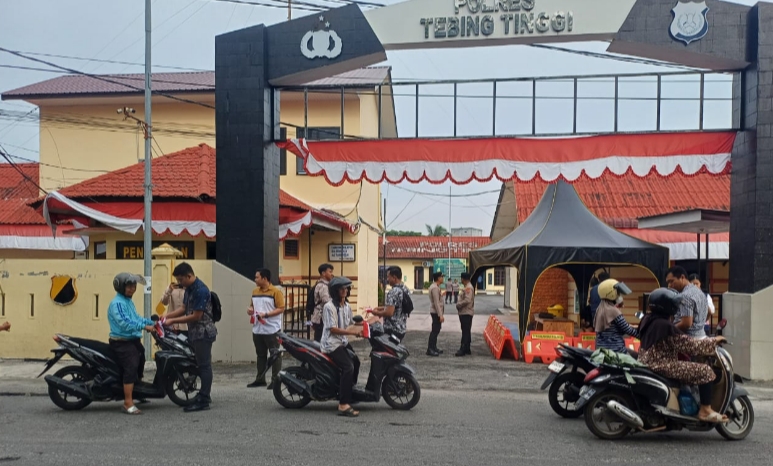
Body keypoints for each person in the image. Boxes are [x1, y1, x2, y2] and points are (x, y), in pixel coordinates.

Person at [638, 287, 728, 423]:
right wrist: (714, 341)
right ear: (667, 306)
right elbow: (689, 345)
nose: (676, 307)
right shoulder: (665, 326)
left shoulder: (648, 319)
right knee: (705, 371)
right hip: (661, 364)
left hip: (648, 361)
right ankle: (705, 410)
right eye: (674, 304)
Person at [164, 262, 218, 412]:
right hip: (195, 333)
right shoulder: (189, 289)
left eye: (181, 279)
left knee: (204, 366)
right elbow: (183, 308)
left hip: (203, 333)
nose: (180, 283)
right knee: (198, 363)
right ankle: (203, 393)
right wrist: (165, 317)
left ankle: (204, 399)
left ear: (189, 275)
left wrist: (173, 321)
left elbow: (196, 316)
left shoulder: (200, 290)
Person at [107, 273, 155, 415]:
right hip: (122, 342)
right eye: (129, 286)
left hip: (132, 341)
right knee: (131, 366)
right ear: (121, 287)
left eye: (134, 286)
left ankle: (137, 391)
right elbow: (125, 322)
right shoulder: (118, 303)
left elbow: (136, 317)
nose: (132, 289)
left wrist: (151, 322)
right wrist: (144, 327)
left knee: (141, 359)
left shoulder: (128, 301)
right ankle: (128, 402)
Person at [320, 276, 364, 417]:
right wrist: (352, 332)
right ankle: (343, 404)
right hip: (331, 344)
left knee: (356, 362)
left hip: (342, 341)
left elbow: (351, 321)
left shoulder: (346, 306)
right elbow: (333, 329)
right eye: (341, 288)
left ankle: (349, 391)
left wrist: (369, 322)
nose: (344, 290)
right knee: (348, 367)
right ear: (335, 290)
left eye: (346, 288)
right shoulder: (329, 307)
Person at [246, 268, 285, 389]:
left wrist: (266, 315)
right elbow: (252, 306)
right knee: (260, 354)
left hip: (272, 329)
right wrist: (250, 310)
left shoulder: (275, 292)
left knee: (275, 354)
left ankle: (275, 380)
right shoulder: (255, 291)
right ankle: (260, 378)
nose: (255, 279)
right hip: (258, 328)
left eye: (257, 277)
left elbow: (281, 308)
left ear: (265, 278)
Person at [594, 279, 639, 353]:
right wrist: (643, 337)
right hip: (616, 350)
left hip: (601, 349)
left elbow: (614, 328)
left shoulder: (600, 309)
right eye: (618, 292)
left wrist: (632, 326)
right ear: (611, 293)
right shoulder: (613, 311)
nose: (619, 295)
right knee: (636, 359)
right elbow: (627, 330)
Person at [666, 266, 708, 339]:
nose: (669, 285)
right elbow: (709, 311)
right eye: (668, 282)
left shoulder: (685, 296)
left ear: (682, 277)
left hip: (688, 339)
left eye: (672, 281)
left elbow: (686, 324)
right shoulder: (699, 292)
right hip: (702, 335)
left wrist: (669, 330)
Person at [372, 266, 409, 342]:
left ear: (394, 277)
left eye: (388, 277)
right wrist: (381, 308)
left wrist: (375, 312)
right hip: (401, 327)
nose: (387, 279)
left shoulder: (393, 292)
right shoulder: (405, 289)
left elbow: (389, 312)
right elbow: (397, 306)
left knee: (386, 352)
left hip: (392, 329)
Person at [311, 264, 334, 342]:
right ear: (323, 273)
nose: (331, 274)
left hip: (323, 316)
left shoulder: (326, 284)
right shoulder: (322, 286)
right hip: (321, 317)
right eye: (330, 272)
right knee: (320, 339)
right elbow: (326, 300)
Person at [455, 272, 475, 357]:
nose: (461, 280)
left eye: (461, 278)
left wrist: (459, 304)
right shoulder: (467, 287)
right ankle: (467, 348)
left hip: (466, 312)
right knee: (466, 330)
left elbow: (467, 300)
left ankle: (463, 348)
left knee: (465, 331)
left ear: (463, 279)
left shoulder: (468, 288)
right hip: (465, 312)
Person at [427, 271, 445, 357]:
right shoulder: (434, 288)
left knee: (436, 330)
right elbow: (436, 303)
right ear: (438, 278)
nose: (443, 278)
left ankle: (434, 347)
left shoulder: (436, 287)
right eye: (442, 277)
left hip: (436, 311)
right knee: (435, 330)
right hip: (435, 312)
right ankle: (430, 349)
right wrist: (440, 315)